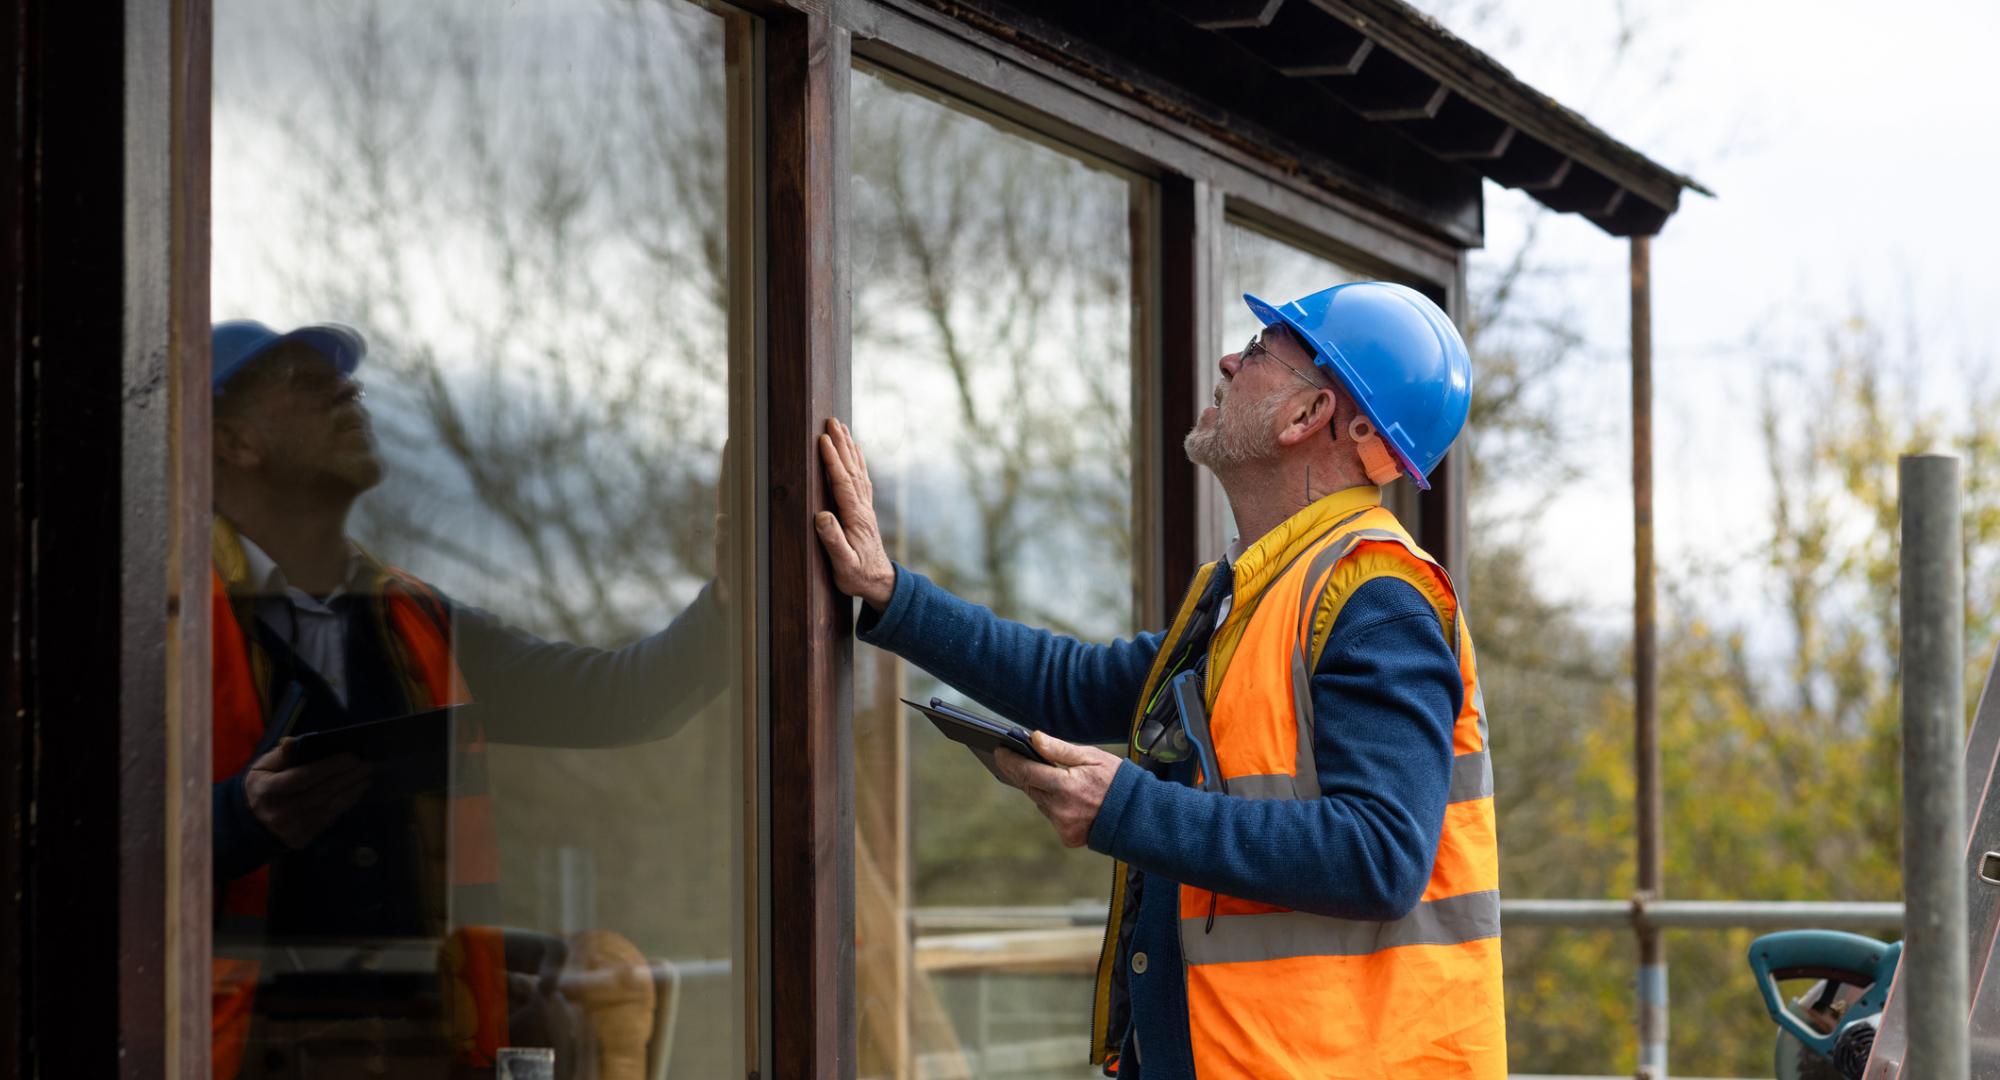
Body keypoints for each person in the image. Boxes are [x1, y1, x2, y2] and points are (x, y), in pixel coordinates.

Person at [815, 282, 1503, 1078]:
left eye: (1255, 354)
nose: (1226, 361)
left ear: (1306, 417)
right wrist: (889, 592)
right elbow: (1070, 685)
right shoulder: (1258, 595)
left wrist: (1127, 808)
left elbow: (1379, 856)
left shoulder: (1377, 603)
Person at [207, 320, 728, 1079]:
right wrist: (240, 820)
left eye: (345, 381)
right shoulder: (158, 626)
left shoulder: (417, 617)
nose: (348, 391)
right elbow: (86, 861)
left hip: (425, 1055)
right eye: (303, 383)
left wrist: (733, 600)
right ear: (234, 443)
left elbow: (622, 700)